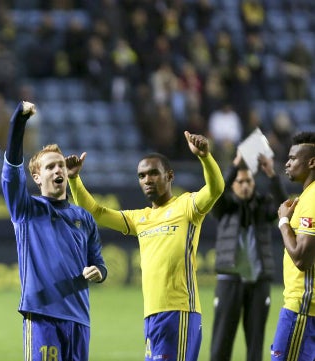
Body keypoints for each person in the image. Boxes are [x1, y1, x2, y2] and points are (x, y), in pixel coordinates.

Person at [66, 131, 225, 361]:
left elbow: (216, 189)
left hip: (179, 312)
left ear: (169, 175)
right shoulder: (140, 218)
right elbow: (96, 213)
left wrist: (205, 157)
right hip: (152, 315)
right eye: (141, 176)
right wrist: (74, 179)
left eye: (153, 173)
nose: (147, 180)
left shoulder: (186, 206)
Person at [1, 100, 108, 361]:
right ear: (37, 178)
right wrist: (19, 120)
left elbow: (99, 265)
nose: (57, 169)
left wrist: (99, 273)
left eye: (60, 164)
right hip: (42, 316)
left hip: (80, 318)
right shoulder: (26, 209)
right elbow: (12, 168)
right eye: (50, 167)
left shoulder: (84, 218)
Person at [210, 151, 287, 361]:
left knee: (256, 344)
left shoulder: (263, 206)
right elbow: (215, 193)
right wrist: (233, 167)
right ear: (233, 185)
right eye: (240, 181)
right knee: (221, 343)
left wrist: (272, 175)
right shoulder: (224, 207)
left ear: (254, 184)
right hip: (229, 280)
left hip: (258, 281)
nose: (245, 185)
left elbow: (285, 207)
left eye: (249, 181)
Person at [270, 131, 315, 361]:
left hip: (303, 309)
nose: (287, 163)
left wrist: (283, 221)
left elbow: (301, 259)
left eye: (293, 158)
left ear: (311, 162)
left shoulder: (312, 198)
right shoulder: (306, 196)